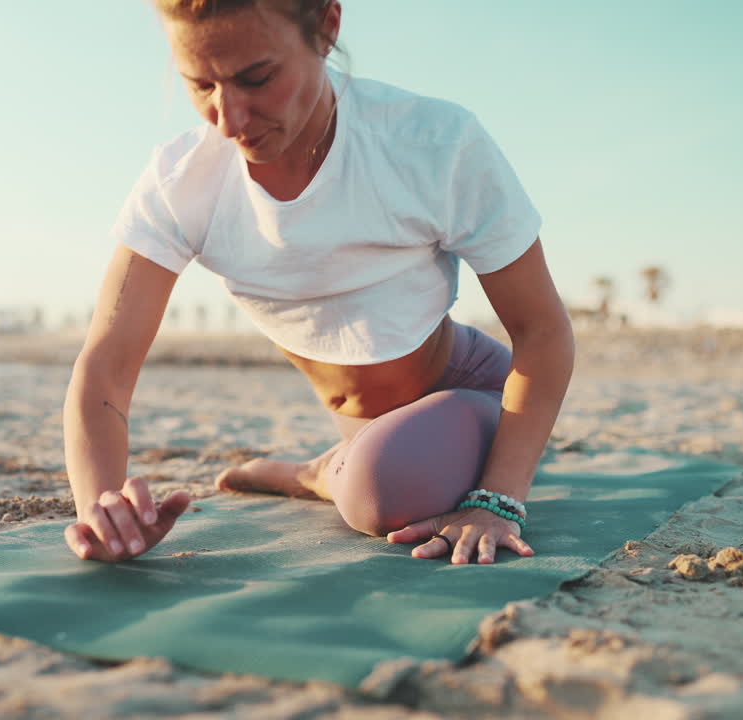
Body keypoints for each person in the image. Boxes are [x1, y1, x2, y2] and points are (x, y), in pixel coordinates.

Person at [62, 0, 574, 566]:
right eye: (200, 84)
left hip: (478, 393)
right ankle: (329, 467)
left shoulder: (430, 144)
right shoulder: (183, 182)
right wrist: (101, 508)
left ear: (328, 28)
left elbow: (542, 330)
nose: (228, 119)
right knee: (379, 473)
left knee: (380, 489)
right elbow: (106, 364)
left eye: (256, 78)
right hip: (376, 436)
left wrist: (496, 502)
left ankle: (317, 472)